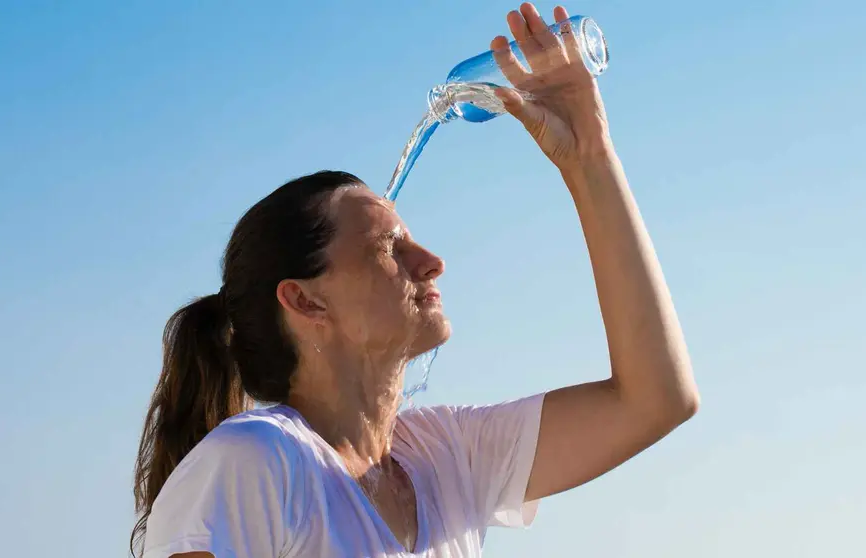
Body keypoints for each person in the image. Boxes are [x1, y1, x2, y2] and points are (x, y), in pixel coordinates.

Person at [131, 4, 700, 557]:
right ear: (306, 301)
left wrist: (589, 156)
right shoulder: (259, 460)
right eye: (388, 248)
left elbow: (656, 399)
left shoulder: (448, 458)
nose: (431, 262)